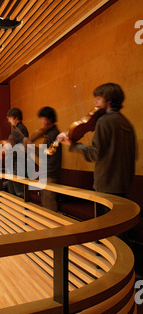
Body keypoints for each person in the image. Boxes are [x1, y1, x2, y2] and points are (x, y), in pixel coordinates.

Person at [58, 83, 136, 222]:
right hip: (124, 182)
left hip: (107, 182)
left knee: (105, 226)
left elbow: (95, 153)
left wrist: (73, 144)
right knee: (119, 223)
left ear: (109, 101)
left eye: (98, 99)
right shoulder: (126, 122)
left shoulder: (104, 121)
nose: (95, 102)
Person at [28, 107, 62, 211]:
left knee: (49, 205)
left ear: (49, 119)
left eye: (42, 118)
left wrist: (31, 148)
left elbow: (45, 154)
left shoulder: (53, 134)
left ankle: (53, 226)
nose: (40, 121)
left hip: (49, 173)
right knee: (46, 202)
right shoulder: (50, 133)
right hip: (47, 173)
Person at [4, 108, 29, 198]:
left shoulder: (20, 129)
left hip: (18, 166)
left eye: (10, 118)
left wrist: (8, 147)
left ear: (16, 118)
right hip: (14, 164)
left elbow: (19, 148)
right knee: (12, 192)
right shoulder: (17, 130)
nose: (9, 121)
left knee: (19, 193)